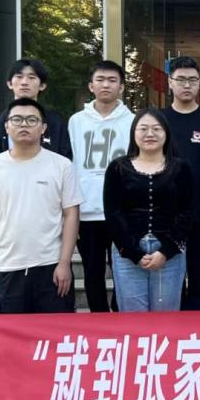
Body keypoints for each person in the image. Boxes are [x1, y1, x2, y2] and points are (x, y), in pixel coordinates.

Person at [0, 97, 81, 313]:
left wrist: (65, 263)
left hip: (51, 267)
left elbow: (71, 215)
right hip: (7, 266)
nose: (24, 125)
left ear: (43, 128)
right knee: (10, 333)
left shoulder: (61, 166)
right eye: (17, 119)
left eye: (31, 120)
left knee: (55, 331)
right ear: (6, 126)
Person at [104, 108, 194, 312]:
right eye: (143, 129)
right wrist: (133, 252)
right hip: (128, 252)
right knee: (133, 319)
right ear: (133, 133)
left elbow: (187, 212)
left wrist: (166, 251)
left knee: (166, 318)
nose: (150, 134)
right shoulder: (118, 168)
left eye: (156, 129)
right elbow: (113, 213)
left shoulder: (181, 168)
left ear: (166, 133)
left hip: (169, 253)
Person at [68, 60, 132, 312]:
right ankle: (98, 319)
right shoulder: (76, 121)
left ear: (122, 87)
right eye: (101, 80)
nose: (106, 85)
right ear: (91, 86)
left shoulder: (133, 121)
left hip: (122, 211)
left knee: (123, 271)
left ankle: (120, 319)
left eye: (112, 80)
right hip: (86, 212)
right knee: (92, 271)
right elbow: (69, 165)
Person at [161, 56, 200, 311]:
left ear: (199, 83)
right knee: (169, 273)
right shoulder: (159, 120)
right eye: (181, 80)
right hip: (167, 211)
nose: (187, 85)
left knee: (198, 272)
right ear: (170, 82)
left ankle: (199, 324)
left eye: (192, 80)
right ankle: (172, 325)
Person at [0, 57, 73, 172]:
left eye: (31, 77)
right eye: (19, 76)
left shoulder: (55, 123)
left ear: (42, 85)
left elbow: (65, 160)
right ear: (9, 84)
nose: (24, 82)